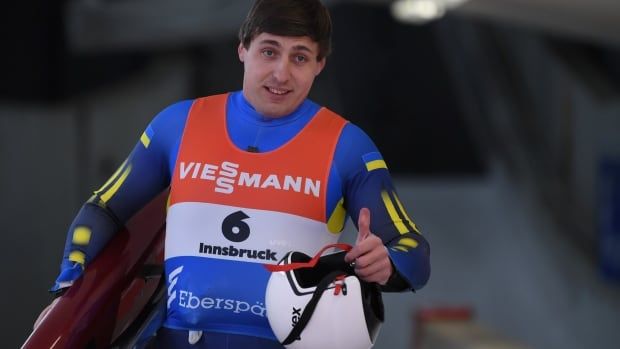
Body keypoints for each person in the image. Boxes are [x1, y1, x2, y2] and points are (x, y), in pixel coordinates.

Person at [38, 0, 430, 347]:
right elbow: (103, 209)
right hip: (176, 339)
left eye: (299, 57)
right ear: (243, 49)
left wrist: (387, 264)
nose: (281, 74)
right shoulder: (178, 124)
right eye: (269, 51)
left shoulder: (348, 146)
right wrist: (70, 288)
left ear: (319, 65)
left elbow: (413, 251)